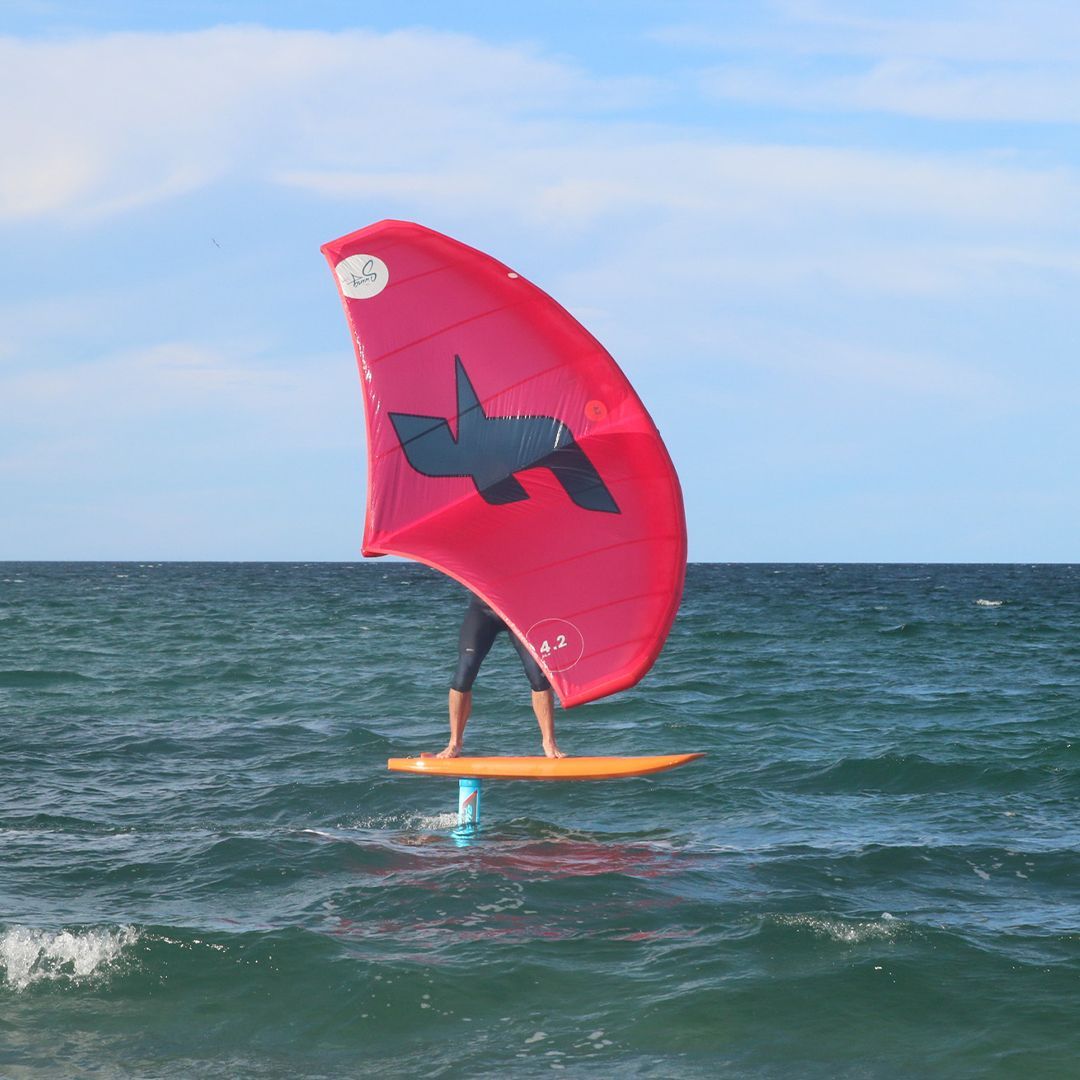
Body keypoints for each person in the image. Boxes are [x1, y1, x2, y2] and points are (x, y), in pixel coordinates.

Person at [437, 593, 565, 759]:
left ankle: (549, 742)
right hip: (484, 607)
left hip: (521, 609)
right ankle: (454, 742)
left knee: (538, 675)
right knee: (464, 672)